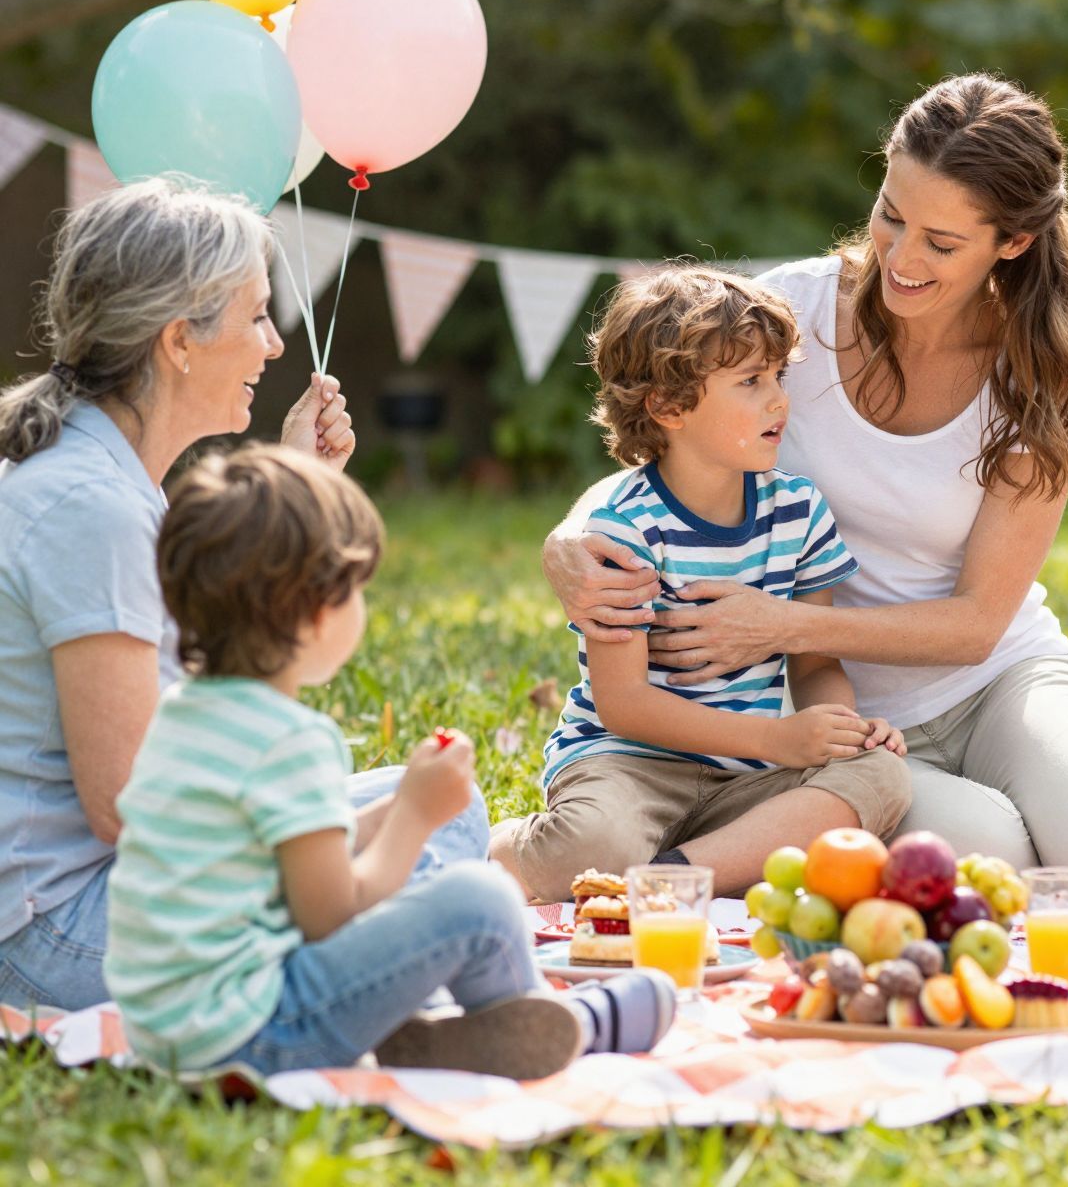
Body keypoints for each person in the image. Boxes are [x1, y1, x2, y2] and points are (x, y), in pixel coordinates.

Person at [541, 75, 1068, 896]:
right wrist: (567, 539)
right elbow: (663, 452)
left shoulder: (1047, 376)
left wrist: (772, 623)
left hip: (995, 682)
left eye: (942, 243)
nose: (902, 257)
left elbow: (977, 625)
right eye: (892, 215)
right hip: (832, 716)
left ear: (1014, 242)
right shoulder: (790, 314)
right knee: (998, 868)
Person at [0, 180, 485, 1017]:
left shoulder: (109, 479)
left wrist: (294, 487)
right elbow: (127, 805)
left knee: (449, 814)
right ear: (180, 339)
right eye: (256, 315)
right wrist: (329, 841)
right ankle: (360, 1008)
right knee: (430, 847)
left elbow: (191, 685)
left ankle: (382, 973)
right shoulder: (92, 508)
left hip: (121, 886)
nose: (271, 344)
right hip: (61, 932)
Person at [105, 447, 673, 1078]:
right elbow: (332, 915)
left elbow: (277, 858)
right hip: (258, 1035)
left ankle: (441, 1034)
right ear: (318, 612)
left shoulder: (184, 711)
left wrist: (403, 811)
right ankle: (559, 1022)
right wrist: (413, 814)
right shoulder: (288, 739)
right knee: (478, 898)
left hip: (165, 1029)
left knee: (429, 863)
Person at [491, 266, 911, 902]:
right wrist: (776, 739)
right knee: (590, 844)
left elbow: (815, 660)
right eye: (750, 382)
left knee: (881, 778)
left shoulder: (798, 509)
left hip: (743, 778)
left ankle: (672, 876)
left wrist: (839, 727)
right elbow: (623, 704)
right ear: (667, 406)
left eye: (778, 376)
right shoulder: (621, 534)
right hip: (625, 765)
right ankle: (501, 847)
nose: (778, 400)